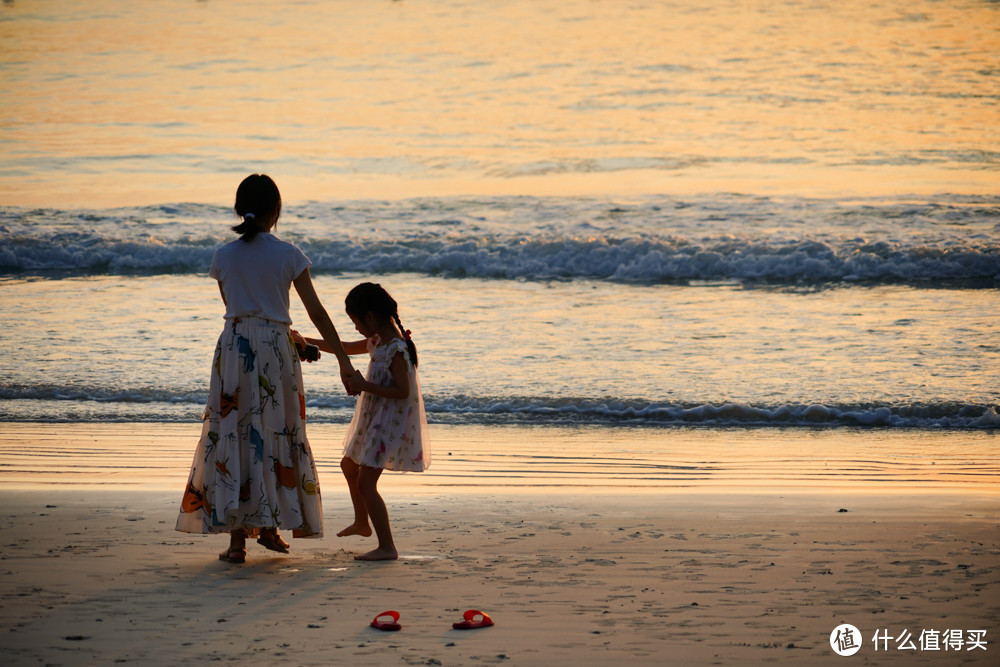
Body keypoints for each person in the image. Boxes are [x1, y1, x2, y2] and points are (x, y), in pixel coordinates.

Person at [176, 174, 356, 564]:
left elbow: (237, 307)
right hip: (275, 348)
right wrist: (343, 359)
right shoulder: (289, 253)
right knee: (276, 429)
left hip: (234, 344)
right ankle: (272, 526)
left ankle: (237, 541)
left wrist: (287, 335)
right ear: (277, 209)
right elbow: (313, 312)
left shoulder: (223, 255)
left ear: (240, 209)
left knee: (235, 432)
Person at [294, 282, 429, 560]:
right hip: (374, 420)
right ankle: (361, 522)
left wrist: (363, 384)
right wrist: (303, 341)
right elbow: (340, 346)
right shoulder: (378, 342)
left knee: (366, 483)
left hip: (388, 424)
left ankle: (387, 547)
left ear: (370, 316)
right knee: (348, 464)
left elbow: (402, 392)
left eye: (355, 321)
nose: (355, 327)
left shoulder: (397, 349)